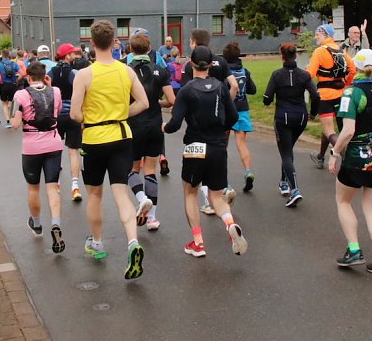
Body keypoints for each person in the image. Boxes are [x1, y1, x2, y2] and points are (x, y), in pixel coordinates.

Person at [70, 20, 149, 280]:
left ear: (91, 44)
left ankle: (97, 243)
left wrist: (94, 116)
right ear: (114, 42)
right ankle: (132, 243)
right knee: (121, 193)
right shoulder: (126, 71)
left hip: (93, 139)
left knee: (94, 195)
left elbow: (75, 114)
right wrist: (120, 114)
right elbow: (144, 102)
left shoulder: (84, 74)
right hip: (121, 135)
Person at [163, 45, 247, 258]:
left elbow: (174, 124)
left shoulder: (187, 90)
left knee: (191, 193)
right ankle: (229, 223)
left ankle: (198, 243)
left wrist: (164, 127)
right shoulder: (220, 86)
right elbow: (234, 117)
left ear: (191, 64)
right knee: (217, 198)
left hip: (195, 147)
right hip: (218, 146)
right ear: (211, 64)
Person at [328, 49, 372, 278]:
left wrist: (334, 152)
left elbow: (348, 131)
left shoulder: (351, 94)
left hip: (357, 158)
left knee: (343, 201)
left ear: (356, 68)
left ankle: (354, 250)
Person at [180, 28, 239, 214]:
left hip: (198, 125)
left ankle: (208, 201)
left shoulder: (190, 66)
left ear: (194, 43)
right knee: (218, 158)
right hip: (220, 121)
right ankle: (224, 188)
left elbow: (184, 92)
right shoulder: (221, 61)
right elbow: (234, 85)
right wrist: (224, 105)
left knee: (200, 165)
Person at [9, 62, 66, 254]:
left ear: (28, 77)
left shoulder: (21, 95)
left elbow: (15, 123)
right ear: (44, 76)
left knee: (33, 188)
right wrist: (49, 85)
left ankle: (38, 224)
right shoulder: (55, 91)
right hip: (53, 143)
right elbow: (56, 110)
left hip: (32, 147)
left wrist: (13, 114)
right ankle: (56, 223)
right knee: (53, 187)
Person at [127, 32, 175, 230]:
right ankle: (153, 218)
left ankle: (141, 198)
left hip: (133, 125)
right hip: (155, 125)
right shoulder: (160, 70)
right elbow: (172, 100)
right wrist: (157, 102)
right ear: (149, 49)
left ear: (131, 50)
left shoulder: (125, 71)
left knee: (131, 170)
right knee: (150, 171)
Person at [262, 43, 320, 207]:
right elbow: (315, 96)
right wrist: (313, 113)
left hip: (283, 118)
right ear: (295, 56)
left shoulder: (277, 75)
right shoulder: (304, 75)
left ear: (282, 57)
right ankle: (283, 182)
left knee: (286, 153)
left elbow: (267, 98)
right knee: (288, 149)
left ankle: (294, 190)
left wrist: (268, 100)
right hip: (301, 118)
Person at [307, 23, 356, 169]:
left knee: (329, 131)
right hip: (341, 96)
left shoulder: (319, 52)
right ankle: (320, 157)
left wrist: (304, 73)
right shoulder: (341, 50)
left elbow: (310, 74)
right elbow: (352, 70)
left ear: (325, 35)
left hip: (325, 96)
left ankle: (347, 158)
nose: (315, 37)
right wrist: (345, 84)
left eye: (317, 34)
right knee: (331, 129)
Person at [48, 43, 85, 202]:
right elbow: (82, 93)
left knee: (55, 151)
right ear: (66, 56)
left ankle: (55, 184)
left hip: (56, 116)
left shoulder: (50, 73)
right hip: (72, 115)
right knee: (73, 151)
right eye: (72, 54)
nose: (75, 56)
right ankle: (75, 186)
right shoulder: (74, 73)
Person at [222, 42, 257, 192]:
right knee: (241, 144)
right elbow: (253, 90)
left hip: (226, 111)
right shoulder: (245, 71)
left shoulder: (224, 73)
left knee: (222, 146)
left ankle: (224, 180)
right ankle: (248, 171)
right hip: (242, 110)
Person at [0, 49, 21, 128]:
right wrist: (17, 80)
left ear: (2, 55)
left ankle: (8, 121)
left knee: (4, 103)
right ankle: (12, 117)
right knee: (13, 102)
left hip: (3, 85)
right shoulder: (14, 64)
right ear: (9, 55)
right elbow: (22, 73)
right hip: (12, 84)